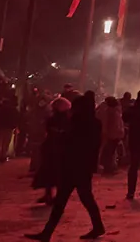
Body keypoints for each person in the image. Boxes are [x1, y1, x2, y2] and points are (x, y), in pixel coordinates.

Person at [25, 91, 105, 241]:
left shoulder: (79, 122)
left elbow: (73, 142)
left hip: (73, 165)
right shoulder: (93, 123)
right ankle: (97, 226)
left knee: (65, 200)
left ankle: (47, 233)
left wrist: (61, 137)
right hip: (82, 167)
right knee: (82, 199)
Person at [33, 97, 72, 204]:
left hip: (52, 148)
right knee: (59, 174)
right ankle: (56, 197)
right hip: (60, 149)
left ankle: (49, 195)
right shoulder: (68, 120)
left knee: (49, 173)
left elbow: (47, 131)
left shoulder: (52, 119)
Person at [96, 97, 124, 174]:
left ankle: (109, 167)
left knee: (109, 151)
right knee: (110, 152)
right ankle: (109, 168)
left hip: (111, 134)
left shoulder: (109, 111)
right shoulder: (114, 112)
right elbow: (116, 124)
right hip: (113, 134)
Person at [0, 94, 20, 163]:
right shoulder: (13, 110)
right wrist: (14, 126)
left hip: (0, 127)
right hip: (9, 128)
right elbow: (16, 118)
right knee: (6, 143)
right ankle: (3, 156)